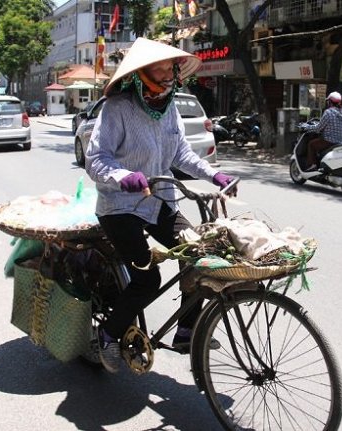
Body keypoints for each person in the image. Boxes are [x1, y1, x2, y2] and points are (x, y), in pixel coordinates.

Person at [85, 37, 235, 373]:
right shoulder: (117, 109)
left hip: (160, 201)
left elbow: (181, 154)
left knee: (200, 257)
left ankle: (185, 330)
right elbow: (95, 159)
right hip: (119, 207)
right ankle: (108, 334)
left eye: (171, 67)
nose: (168, 74)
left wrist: (214, 175)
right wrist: (122, 175)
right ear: (141, 73)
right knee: (147, 280)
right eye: (160, 67)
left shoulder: (170, 110)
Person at [306, 91, 342, 171]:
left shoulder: (328, 112)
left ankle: (312, 165)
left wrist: (308, 127)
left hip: (329, 141)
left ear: (330, 102)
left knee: (311, 144)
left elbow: (319, 128)